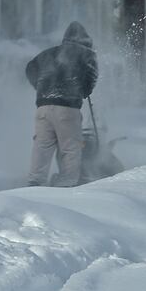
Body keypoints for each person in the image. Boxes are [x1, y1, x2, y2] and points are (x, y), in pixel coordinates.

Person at [26, 22, 98, 187]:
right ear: (85, 41)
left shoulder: (48, 53)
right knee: (70, 147)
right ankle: (67, 183)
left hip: (43, 107)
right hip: (67, 107)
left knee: (42, 146)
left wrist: (40, 86)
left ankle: (35, 182)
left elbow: (30, 68)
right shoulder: (87, 54)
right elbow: (91, 77)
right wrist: (85, 90)